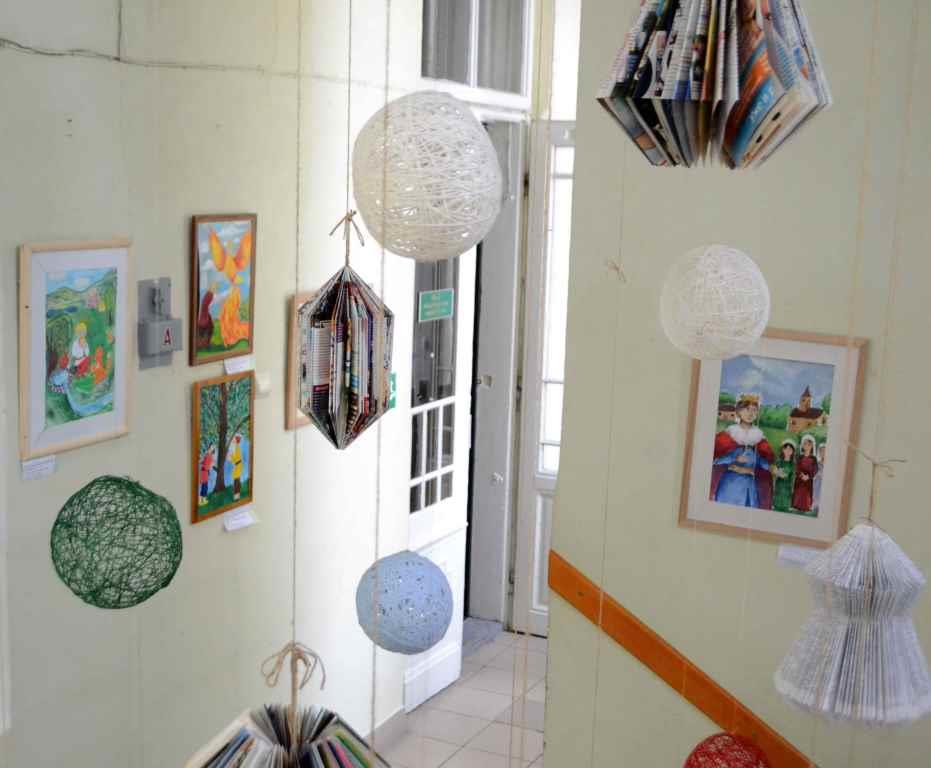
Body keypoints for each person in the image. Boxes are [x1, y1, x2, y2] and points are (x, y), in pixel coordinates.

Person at [710, 394, 774, 509]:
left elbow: (761, 460)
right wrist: (734, 459)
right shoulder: (730, 433)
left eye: (754, 410)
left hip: (749, 486)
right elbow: (716, 460)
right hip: (730, 486)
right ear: (739, 411)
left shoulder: (758, 436)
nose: (751, 413)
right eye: (747, 409)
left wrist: (770, 467)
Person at [792, 435, 819, 514]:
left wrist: (809, 476)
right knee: (798, 492)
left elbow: (815, 469)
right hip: (800, 480)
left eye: (809, 444)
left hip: (808, 480)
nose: (807, 446)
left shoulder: (813, 458)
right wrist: (801, 475)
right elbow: (797, 467)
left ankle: (806, 507)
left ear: (812, 446)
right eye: (805, 444)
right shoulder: (799, 457)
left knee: (806, 494)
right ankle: (796, 506)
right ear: (802, 445)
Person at [772, 439, 797, 513]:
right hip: (778, 488)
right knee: (776, 508)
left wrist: (778, 472)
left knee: (785, 509)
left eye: (790, 449)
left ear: (792, 451)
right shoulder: (779, 461)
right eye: (786, 448)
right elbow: (774, 471)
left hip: (787, 490)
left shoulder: (793, 464)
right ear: (783, 450)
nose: (788, 450)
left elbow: (785, 475)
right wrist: (777, 472)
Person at [196, 282, 217, 350]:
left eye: (215, 287)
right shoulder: (209, 294)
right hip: (204, 316)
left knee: (209, 328)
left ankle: (205, 344)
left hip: (206, 315)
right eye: (214, 287)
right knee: (204, 329)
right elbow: (213, 301)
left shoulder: (209, 294)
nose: (216, 289)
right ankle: (202, 344)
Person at [230, 434, 245, 500]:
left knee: (236, 480)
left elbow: (235, 458)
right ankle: (237, 495)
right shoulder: (236, 446)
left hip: (238, 465)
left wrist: (231, 458)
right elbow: (235, 458)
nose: (233, 440)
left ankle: (237, 495)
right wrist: (231, 458)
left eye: (234, 439)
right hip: (238, 465)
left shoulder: (236, 447)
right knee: (237, 480)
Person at [812, 442, 827, 513]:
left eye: (824, 450)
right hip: (817, 485)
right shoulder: (817, 463)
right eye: (821, 451)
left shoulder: (830, 464)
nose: (823, 453)